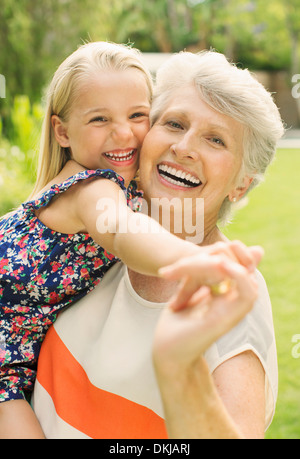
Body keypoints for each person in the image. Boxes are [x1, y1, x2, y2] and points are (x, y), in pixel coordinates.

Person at [31, 50, 284, 439]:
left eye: (216, 139)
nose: (184, 147)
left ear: (241, 184)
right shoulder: (88, 237)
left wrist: (178, 367)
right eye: (174, 123)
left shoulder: (229, 297)